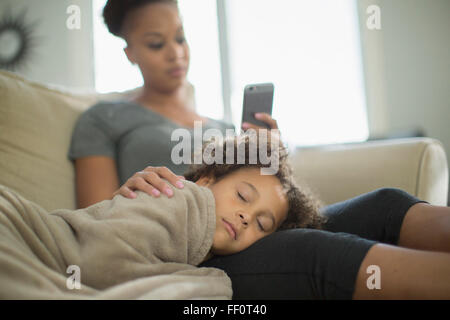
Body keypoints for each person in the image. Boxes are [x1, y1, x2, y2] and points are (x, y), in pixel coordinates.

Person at [70, 0, 450, 299]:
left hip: (253, 235)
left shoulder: (221, 126)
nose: (176, 53)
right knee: (312, 251)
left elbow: (266, 203)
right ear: (129, 53)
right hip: (191, 250)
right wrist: (135, 188)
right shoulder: (105, 118)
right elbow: (95, 216)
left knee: (383, 205)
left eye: (181, 38)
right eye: (157, 43)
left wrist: (270, 153)